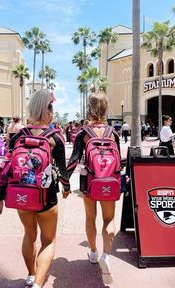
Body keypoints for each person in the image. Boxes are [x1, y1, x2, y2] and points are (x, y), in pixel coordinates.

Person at [0, 90, 71, 288]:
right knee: (49, 241)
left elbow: (8, 168)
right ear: (49, 112)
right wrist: (66, 187)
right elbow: (62, 169)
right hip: (47, 196)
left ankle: (31, 274)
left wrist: (0, 197)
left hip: (21, 194)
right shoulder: (55, 138)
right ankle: (38, 284)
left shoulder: (18, 135)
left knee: (29, 234)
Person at [66, 92, 120, 286]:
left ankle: (94, 253)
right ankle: (106, 255)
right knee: (109, 219)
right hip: (110, 181)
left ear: (89, 109)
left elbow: (73, 160)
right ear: (106, 109)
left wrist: (64, 184)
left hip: (88, 181)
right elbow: (118, 161)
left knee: (91, 217)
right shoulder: (113, 132)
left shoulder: (83, 133)